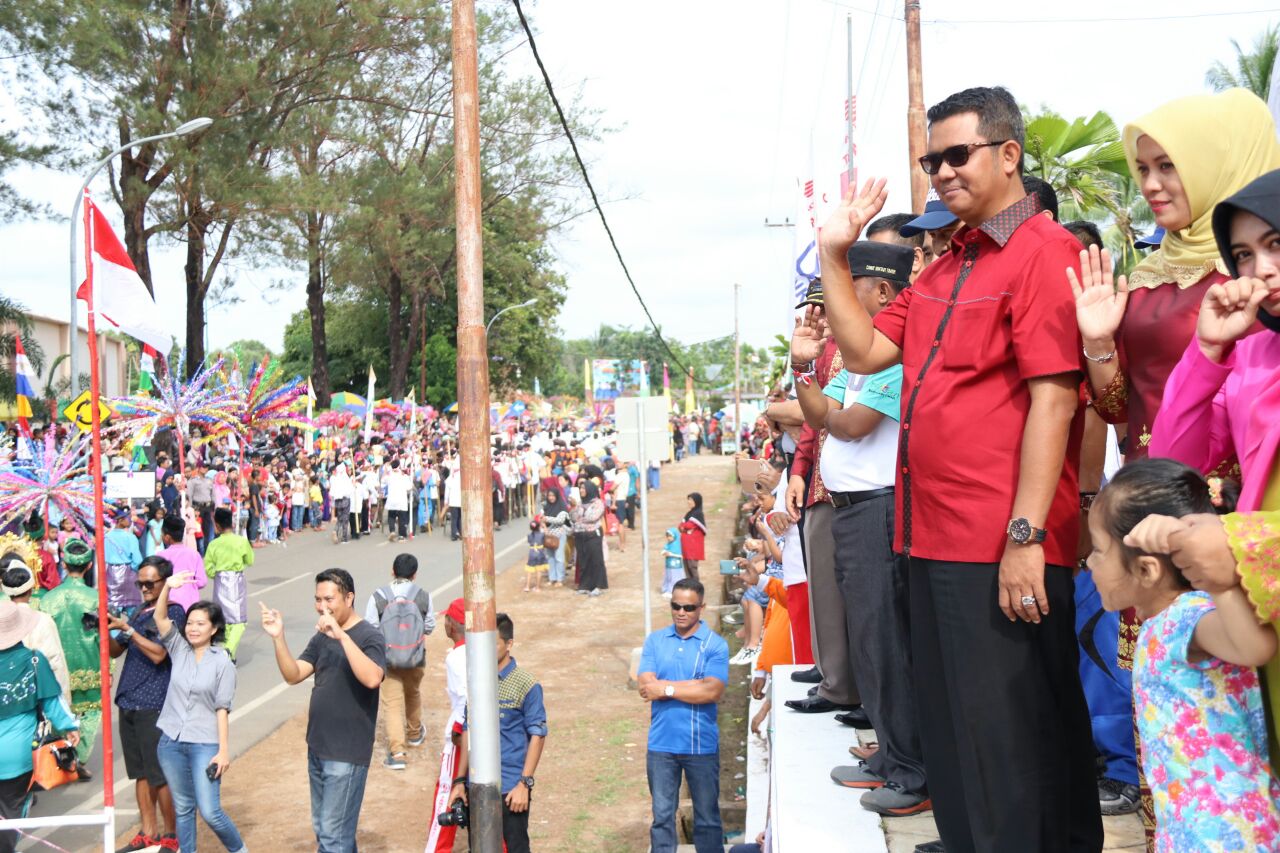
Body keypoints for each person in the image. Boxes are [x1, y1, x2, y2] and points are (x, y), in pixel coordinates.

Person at [819, 86, 1102, 851]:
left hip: (999, 546)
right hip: (929, 540)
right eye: (930, 160)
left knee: (1012, 746)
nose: (940, 172)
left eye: (957, 154)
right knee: (957, 742)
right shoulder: (945, 269)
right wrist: (833, 254)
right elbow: (863, 351)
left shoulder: (1046, 253)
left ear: (1009, 155)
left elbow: (1054, 402)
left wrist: (1025, 536)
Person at [793, 241, 929, 816]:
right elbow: (823, 416)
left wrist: (815, 399)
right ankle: (889, 754)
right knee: (869, 644)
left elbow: (848, 425)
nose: (845, 301)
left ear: (887, 294)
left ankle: (910, 771)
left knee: (885, 644)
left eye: (858, 288)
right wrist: (804, 366)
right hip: (854, 509)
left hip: (878, 509)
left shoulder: (891, 358)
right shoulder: (860, 356)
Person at [1148, 166, 1280, 759]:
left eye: (1276, 244)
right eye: (1244, 255)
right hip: (1265, 608)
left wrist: (1242, 545)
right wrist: (1208, 351)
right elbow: (1174, 464)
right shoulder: (1255, 350)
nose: (1261, 271)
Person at [1089, 459, 1280, 849]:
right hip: (1190, 823)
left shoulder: (1192, 614)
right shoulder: (1162, 620)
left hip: (1228, 831)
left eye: (1098, 550)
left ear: (1146, 570)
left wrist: (1221, 584)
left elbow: (1255, 647)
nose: (1090, 562)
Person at [261, 568, 385, 852]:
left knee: (333, 836)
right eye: (318, 599)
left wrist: (342, 636)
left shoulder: (368, 636)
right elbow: (294, 674)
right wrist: (278, 637)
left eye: (328, 599)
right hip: (317, 748)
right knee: (328, 831)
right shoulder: (321, 637)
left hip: (347, 753)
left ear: (349, 597)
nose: (322, 606)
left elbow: (372, 678)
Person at [638, 578, 729, 853]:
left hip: (700, 745)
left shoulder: (715, 645)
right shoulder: (655, 641)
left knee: (707, 819)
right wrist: (694, 684)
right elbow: (645, 686)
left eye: (688, 607)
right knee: (662, 818)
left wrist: (665, 687)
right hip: (661, 747)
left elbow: (712, 691)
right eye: (676, 606)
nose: (681, 612)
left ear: (701, 607)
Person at [448, 613, 546, 853]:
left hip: (511, 787)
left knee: (516, 847)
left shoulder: (527, 684)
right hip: (477, 786)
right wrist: (460, 781)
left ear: (509, 644)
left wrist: (524, 783)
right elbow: (468, 730)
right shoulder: (477, 680)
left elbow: (538, 735)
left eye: (494, 643)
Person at [108, 555, 183, 853]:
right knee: (139, 773)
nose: (144, 588)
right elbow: (116, 651)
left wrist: (128, 630)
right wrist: (107, 628)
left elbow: (158, 654)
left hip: (155, 700)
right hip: (129, 699)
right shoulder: (140, 611)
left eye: (149, 583)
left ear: (165, 583)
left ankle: (170, 834)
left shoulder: (173, 613)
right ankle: (147, 831)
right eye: (140, 583)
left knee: (159, 774)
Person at [0, 599, 80, 853]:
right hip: (18, 756)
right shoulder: (34, 661)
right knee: (12, 813)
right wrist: (70, 726)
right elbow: (52, 703)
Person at [363, 554, 434, 771]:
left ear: (392, 571)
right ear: (414, 574)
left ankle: (398, 752)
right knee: (413, 693)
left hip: (388, 658)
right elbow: (429, 626)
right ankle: (414, 733)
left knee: (391, 704)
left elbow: (370, 627)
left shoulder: (379, 596)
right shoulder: (423, 596)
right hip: (415, 658)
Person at [39, 538, 101, 766]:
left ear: (63, 564)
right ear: (89, 566)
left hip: (55, 669)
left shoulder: (47, 599)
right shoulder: (96, 599)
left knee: (59, 713)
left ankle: (65, 757)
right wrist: (109, 667)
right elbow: (104, 637)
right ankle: (79, 759)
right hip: (91, 664)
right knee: (90, 714)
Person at [424, 599, 468, 853]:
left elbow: (465, 698)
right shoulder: (483, 650)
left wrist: (460, 728)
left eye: (447, 619)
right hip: (484, 734)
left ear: (452, 625)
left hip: (461, 736)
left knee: (446, 796)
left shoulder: (456, 658)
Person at [1, 562, 69, 703]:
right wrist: (64, 702)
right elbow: (55, 661)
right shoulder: (43, 620)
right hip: (37, 694)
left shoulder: (3, 620)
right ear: (31, 590)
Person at [204, 508, 254, 661]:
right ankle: (228, 650)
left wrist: (217, 574)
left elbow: (208, 567)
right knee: (239, 620)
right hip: (235, 580)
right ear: (231, 523)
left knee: (224, 618)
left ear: (217, 526)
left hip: (220, 581)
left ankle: (229, 652)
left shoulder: (213, 544)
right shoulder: (241, 541)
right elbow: (250, 560)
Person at [157, 515, 207, 614]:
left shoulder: (160, 556)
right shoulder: (194, 554)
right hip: (191, 604)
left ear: (167, 537)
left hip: (168, 603)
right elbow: (202, 582)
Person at [104, 507, 144, 618]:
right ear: (120, 520)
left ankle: (113, 635)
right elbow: (137, 560)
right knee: (133, 613)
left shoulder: (106, 537)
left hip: (111, 574)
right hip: (128, 574)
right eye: (128, 518)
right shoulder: (130, 537)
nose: (130, 520)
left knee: (112, 612)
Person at [571, 480, 607, 596]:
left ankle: (598, 585)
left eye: (583, 488)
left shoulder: (598, 503)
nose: (581, 490)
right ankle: (585, 585)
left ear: (590, 490)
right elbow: (573, 516)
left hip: (593, 535)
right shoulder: (580, 504)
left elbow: (593, 517)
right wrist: (578, 514)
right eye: (580, 488)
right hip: (580, 535)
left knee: (596, 560)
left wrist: (580, 519)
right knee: (583, 561)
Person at [541, 488, 571, 588]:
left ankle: (560, 579)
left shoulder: (562, 507)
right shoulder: (546, 507)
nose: (551, 498)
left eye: (553, 496)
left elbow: (560, 520)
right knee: (550, 557)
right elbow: (541, 519)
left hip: (559, 535)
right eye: (549, 496)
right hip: (548, 535)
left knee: (559, 557)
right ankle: (552, 578)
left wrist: (547, 519)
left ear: (557, 496)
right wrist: (544, 527)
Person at [677, 493, 707, 582]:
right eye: (688, 499)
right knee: (686, 567)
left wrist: (684, 527)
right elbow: (680, 526)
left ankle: (696, 587)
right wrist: (684, 527)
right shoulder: (689, 514)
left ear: (696, 502)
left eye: (691, 500)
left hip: (693, 547)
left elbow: (688, 525)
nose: (688, 502)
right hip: (686, 547)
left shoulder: (698, 514)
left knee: (692, 567)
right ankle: (690, 586)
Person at [383, 460, 413, 542]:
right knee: (402, 518)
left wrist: (386, 471)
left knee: (391, 516)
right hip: (401, 500)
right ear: (399, 465)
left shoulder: (389, 476)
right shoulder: (404, 476)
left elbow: (382, 481)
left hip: (392, 500)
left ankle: (392, 530)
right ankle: (401, 535)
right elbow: (409, 487)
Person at [330, 463, 353, 544]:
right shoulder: (345, 479)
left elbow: (332, 492)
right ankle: (344, 537)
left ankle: (335, 530)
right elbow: (350, 490)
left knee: (339, 518)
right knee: (345, 519)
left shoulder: (335, 479)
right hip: (345, 499)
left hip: (337, 501)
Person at [523, 520, 547, 593]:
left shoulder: (529, 535)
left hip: (532, 552)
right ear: (539, 527)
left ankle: (527, 587)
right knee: (539, 570)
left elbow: (529, 541)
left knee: (529, 570)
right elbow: (547, 533)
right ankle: (537, 587)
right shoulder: (542, 534)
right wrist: (544, 526)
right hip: (540, 552)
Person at [661, 528, 683, 597]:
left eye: (670, 536)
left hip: (676, 566)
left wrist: (671, 554)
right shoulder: (668, 544)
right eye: (667, 536)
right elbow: (663, 550)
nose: (668, 538)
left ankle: (673, 591)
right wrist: (664, 552)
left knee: (674, 578)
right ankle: (667, 589)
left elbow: (680, 556)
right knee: (668, 577)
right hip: (669, 565)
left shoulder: (677, 545)